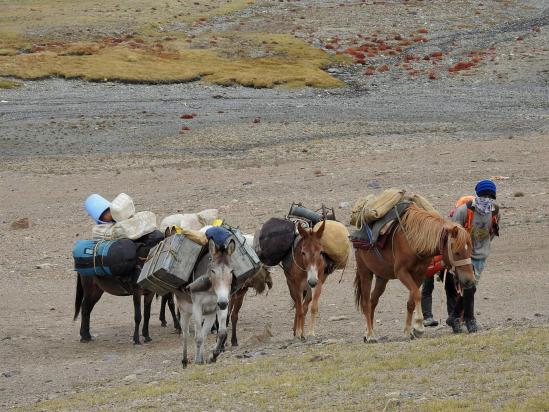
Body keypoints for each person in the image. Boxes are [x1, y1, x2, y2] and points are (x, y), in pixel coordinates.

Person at [446, 179, 500, 333]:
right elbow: (453, 234)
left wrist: (484, 247)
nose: (487, 199)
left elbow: (493, 231)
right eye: (484, 195)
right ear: (478, 195)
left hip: (481, 255)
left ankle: (454, 317)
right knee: (469, 287)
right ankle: (469, 320)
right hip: (465, 256)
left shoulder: (495, 211)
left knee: (471, 288)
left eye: (490, 196)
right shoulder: (463, 211)